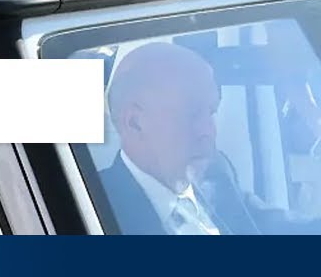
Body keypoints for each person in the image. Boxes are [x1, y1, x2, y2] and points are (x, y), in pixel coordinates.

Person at [99, 42, 320, 235]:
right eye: (191, 114)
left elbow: (273, 226)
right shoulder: (93, 208)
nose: (209, 130)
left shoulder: (214, 174)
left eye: (211, 112)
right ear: (135, 123)